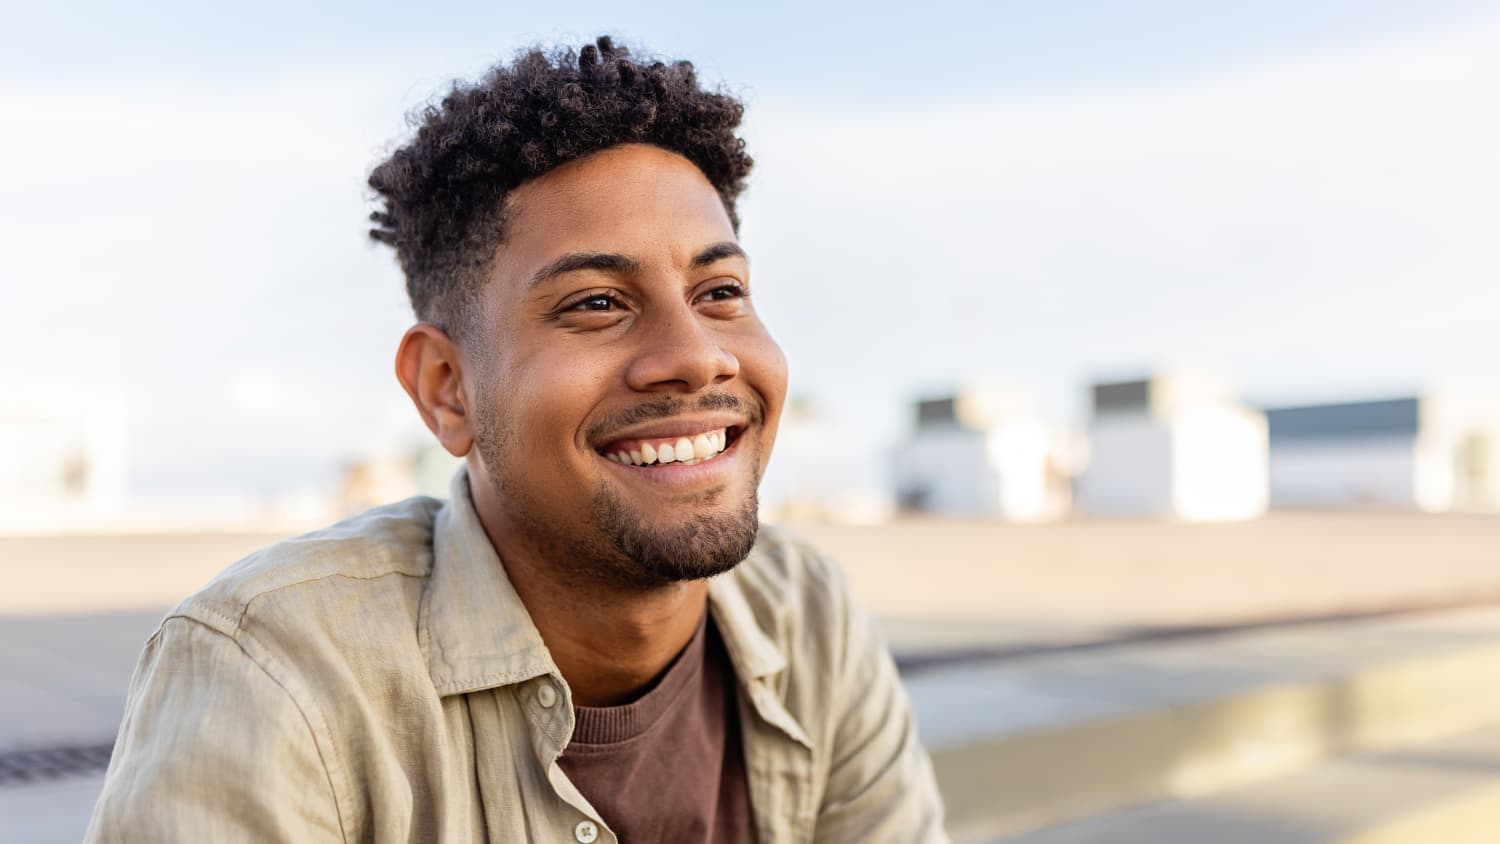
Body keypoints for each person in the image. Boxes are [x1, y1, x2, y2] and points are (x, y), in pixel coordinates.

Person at [85, 36, 947, 843]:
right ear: (446, 389)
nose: (696, 356)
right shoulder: (275, 674)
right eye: (596, 303)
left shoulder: (809, 618)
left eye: (720, 290)